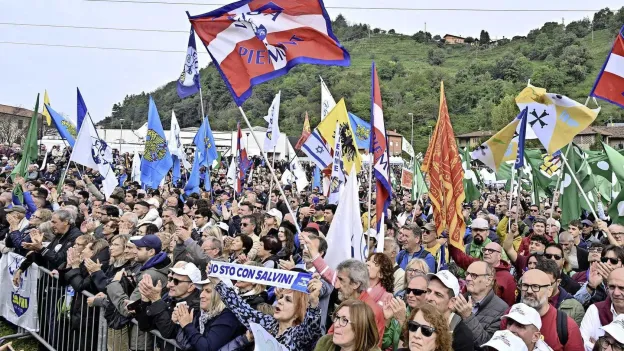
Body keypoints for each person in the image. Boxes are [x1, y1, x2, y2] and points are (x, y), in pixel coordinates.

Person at [212, 266, 324, 351]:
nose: (280, 301)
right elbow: (241, 308)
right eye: (281, 297)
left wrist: (313, 302)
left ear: (298, 311)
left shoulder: (299, 335)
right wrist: (217, 282)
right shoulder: (269, 323)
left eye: (288, 300)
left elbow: (311, 327)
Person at [501, 269, 584, 351]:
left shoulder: (566, 326)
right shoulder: (509, 316)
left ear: (549, 291)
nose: (529, 291)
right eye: (525, 285)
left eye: (535, 286)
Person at [174, 276, 245, 351]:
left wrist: (187, 325)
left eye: (207, 291)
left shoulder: (228, 317)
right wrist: (179, 322)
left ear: (221, 295)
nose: (201, 295)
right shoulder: (204, 314)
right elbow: (186, 343)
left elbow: (206, 348)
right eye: (202, 291)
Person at [135, 261, 203, 339]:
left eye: (176, 281)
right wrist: (145, 300)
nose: (169, 285)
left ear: (191, 287)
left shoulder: (197, 306)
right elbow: (144, 326)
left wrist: (156, 300)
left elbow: (168, 333)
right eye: (170, 279)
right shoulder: (168, 297)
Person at [453, 261, 508, 349]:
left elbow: (487, 347)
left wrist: (468, 317)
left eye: (474, 275)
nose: (467, 278)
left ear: (488, 280)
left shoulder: (502, 310)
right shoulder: (460, 300)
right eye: (467, 274)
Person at [449, 237, 516, 306]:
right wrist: (451, 241)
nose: (486, 253)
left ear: (499, 256)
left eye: (490, 251)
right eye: (484, 250)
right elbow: (460, 258)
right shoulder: (476, 265)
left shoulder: (508, 278)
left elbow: (509, 305)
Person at [425, 270, 474, 351]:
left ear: (452, 302)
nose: (429, 298)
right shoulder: (417, 321)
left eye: (438, 294)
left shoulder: (462, 336)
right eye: (428, 291)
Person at [580, 267, 624, 351]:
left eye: (622, 288)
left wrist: (598, 346)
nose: (616, 293)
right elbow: (582, 344)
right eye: (612, 287)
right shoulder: (595, 310)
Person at [314, 300, 381, 351]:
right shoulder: (325, 343)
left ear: (360, 327)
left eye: (344, 320)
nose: (336, 324)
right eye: (337, 317)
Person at [535, 259, 585, 326]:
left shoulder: (575, 307)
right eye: (538, 284)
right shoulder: (528, 301)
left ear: (558, 282)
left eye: (547, 284)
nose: (542, 288)